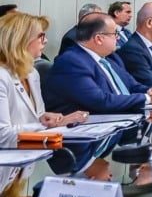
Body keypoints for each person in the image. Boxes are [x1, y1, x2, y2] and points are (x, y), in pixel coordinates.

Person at [43, 13, 152, 114]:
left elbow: (131, 85)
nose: (118, 38)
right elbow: (100, 101)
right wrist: (147, 98)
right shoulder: (72, 62)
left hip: (119, 119)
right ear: (99, 39)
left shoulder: (111, 58)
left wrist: (151, 91)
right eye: (114, 34)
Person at [0, 12, 89, 148]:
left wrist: (46, 118)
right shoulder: (2, 76)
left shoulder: (32, 73)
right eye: (41, 36)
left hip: (27, 157)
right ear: (21, 40)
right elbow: (2, 135)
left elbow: (36, 116)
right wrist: (49, 125)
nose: (46, 41)